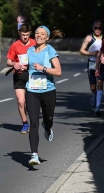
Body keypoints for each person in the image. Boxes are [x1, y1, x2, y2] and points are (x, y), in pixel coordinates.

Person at [25, 25, 63, 165]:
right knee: (33, 122)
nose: (39, 35)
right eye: (36, 33)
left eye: (42, 34)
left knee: (48, 118)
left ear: (47, 37)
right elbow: (24, 68)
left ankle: (47, 127)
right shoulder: (29, 51)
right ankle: (34, 154)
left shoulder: (50, 50)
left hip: (48, 90)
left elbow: (58, 72)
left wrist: (43, 68)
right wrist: (19, 66)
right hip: (32, 90)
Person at [6, 23, 37, 134]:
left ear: (30, 34)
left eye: (27, 35)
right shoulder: (15, 45)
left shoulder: (35, 43)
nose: (25, 37)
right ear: (19, 33)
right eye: (23, 35)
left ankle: (33, 121)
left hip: (33, 76)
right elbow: (8, 61)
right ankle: (25, 124)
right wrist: (14, 63)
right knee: (21, 102)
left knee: (31, 103)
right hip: (19, 76)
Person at [79, 20, 104, 116]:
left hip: (102, 64)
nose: (98, 30)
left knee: (100, 83)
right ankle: (94, 95)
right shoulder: (89, 38)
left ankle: (98, 107)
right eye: (96, 28)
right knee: (92, 86)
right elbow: (81, 51)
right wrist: (93, 53)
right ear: (93, 28)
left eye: (100, 28)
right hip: (92, 63)